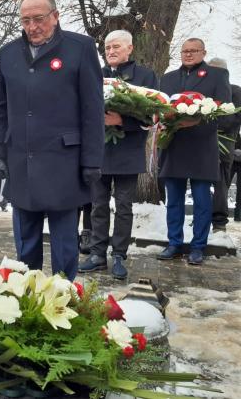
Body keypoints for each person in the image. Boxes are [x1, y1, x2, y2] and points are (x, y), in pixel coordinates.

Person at [0, 0, 104, 281]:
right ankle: (27, 299)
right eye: (25, 21)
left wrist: (92, 159)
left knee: (65, 244)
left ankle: (64, 300)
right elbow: (0, 109)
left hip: (63, 161)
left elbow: (92, 109)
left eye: (38, 18)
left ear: (55, 16)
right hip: (21, 160)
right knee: (25, 244)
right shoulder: (8, 54)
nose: (32, 27)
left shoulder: (80, 48)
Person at [78, 29, 158, 279]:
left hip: (128, 150)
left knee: (124, 206)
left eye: (116, 47)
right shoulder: (95, 75)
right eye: (107, 47)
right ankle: (97, 254)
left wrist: (121, 120)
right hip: (98, 151)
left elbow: (153, 114)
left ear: (129, 48)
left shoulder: (145, 77)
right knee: (97, 205)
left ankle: (120, 255)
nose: (110, 51)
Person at [157, 38, 232, 265]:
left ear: (203, 52)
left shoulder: (217, 76)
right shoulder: (167, 79)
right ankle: (174, 243)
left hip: (202, 148)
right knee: (174, 200)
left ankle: (198, 246)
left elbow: (225, 114)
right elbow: (159, 108)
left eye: (194, 51)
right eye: (185, 51)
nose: (188, 55)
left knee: (201, 200)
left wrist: (196, 121)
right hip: (174, 146)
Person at [208, 58, 241, 231]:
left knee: (220, 183)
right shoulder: (206, 91)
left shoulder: (235, 91)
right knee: (200, 183)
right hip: (201, 144)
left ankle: (219, 222)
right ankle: (203, 215)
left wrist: (209, 124)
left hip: (224, 144)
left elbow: (233, 120)